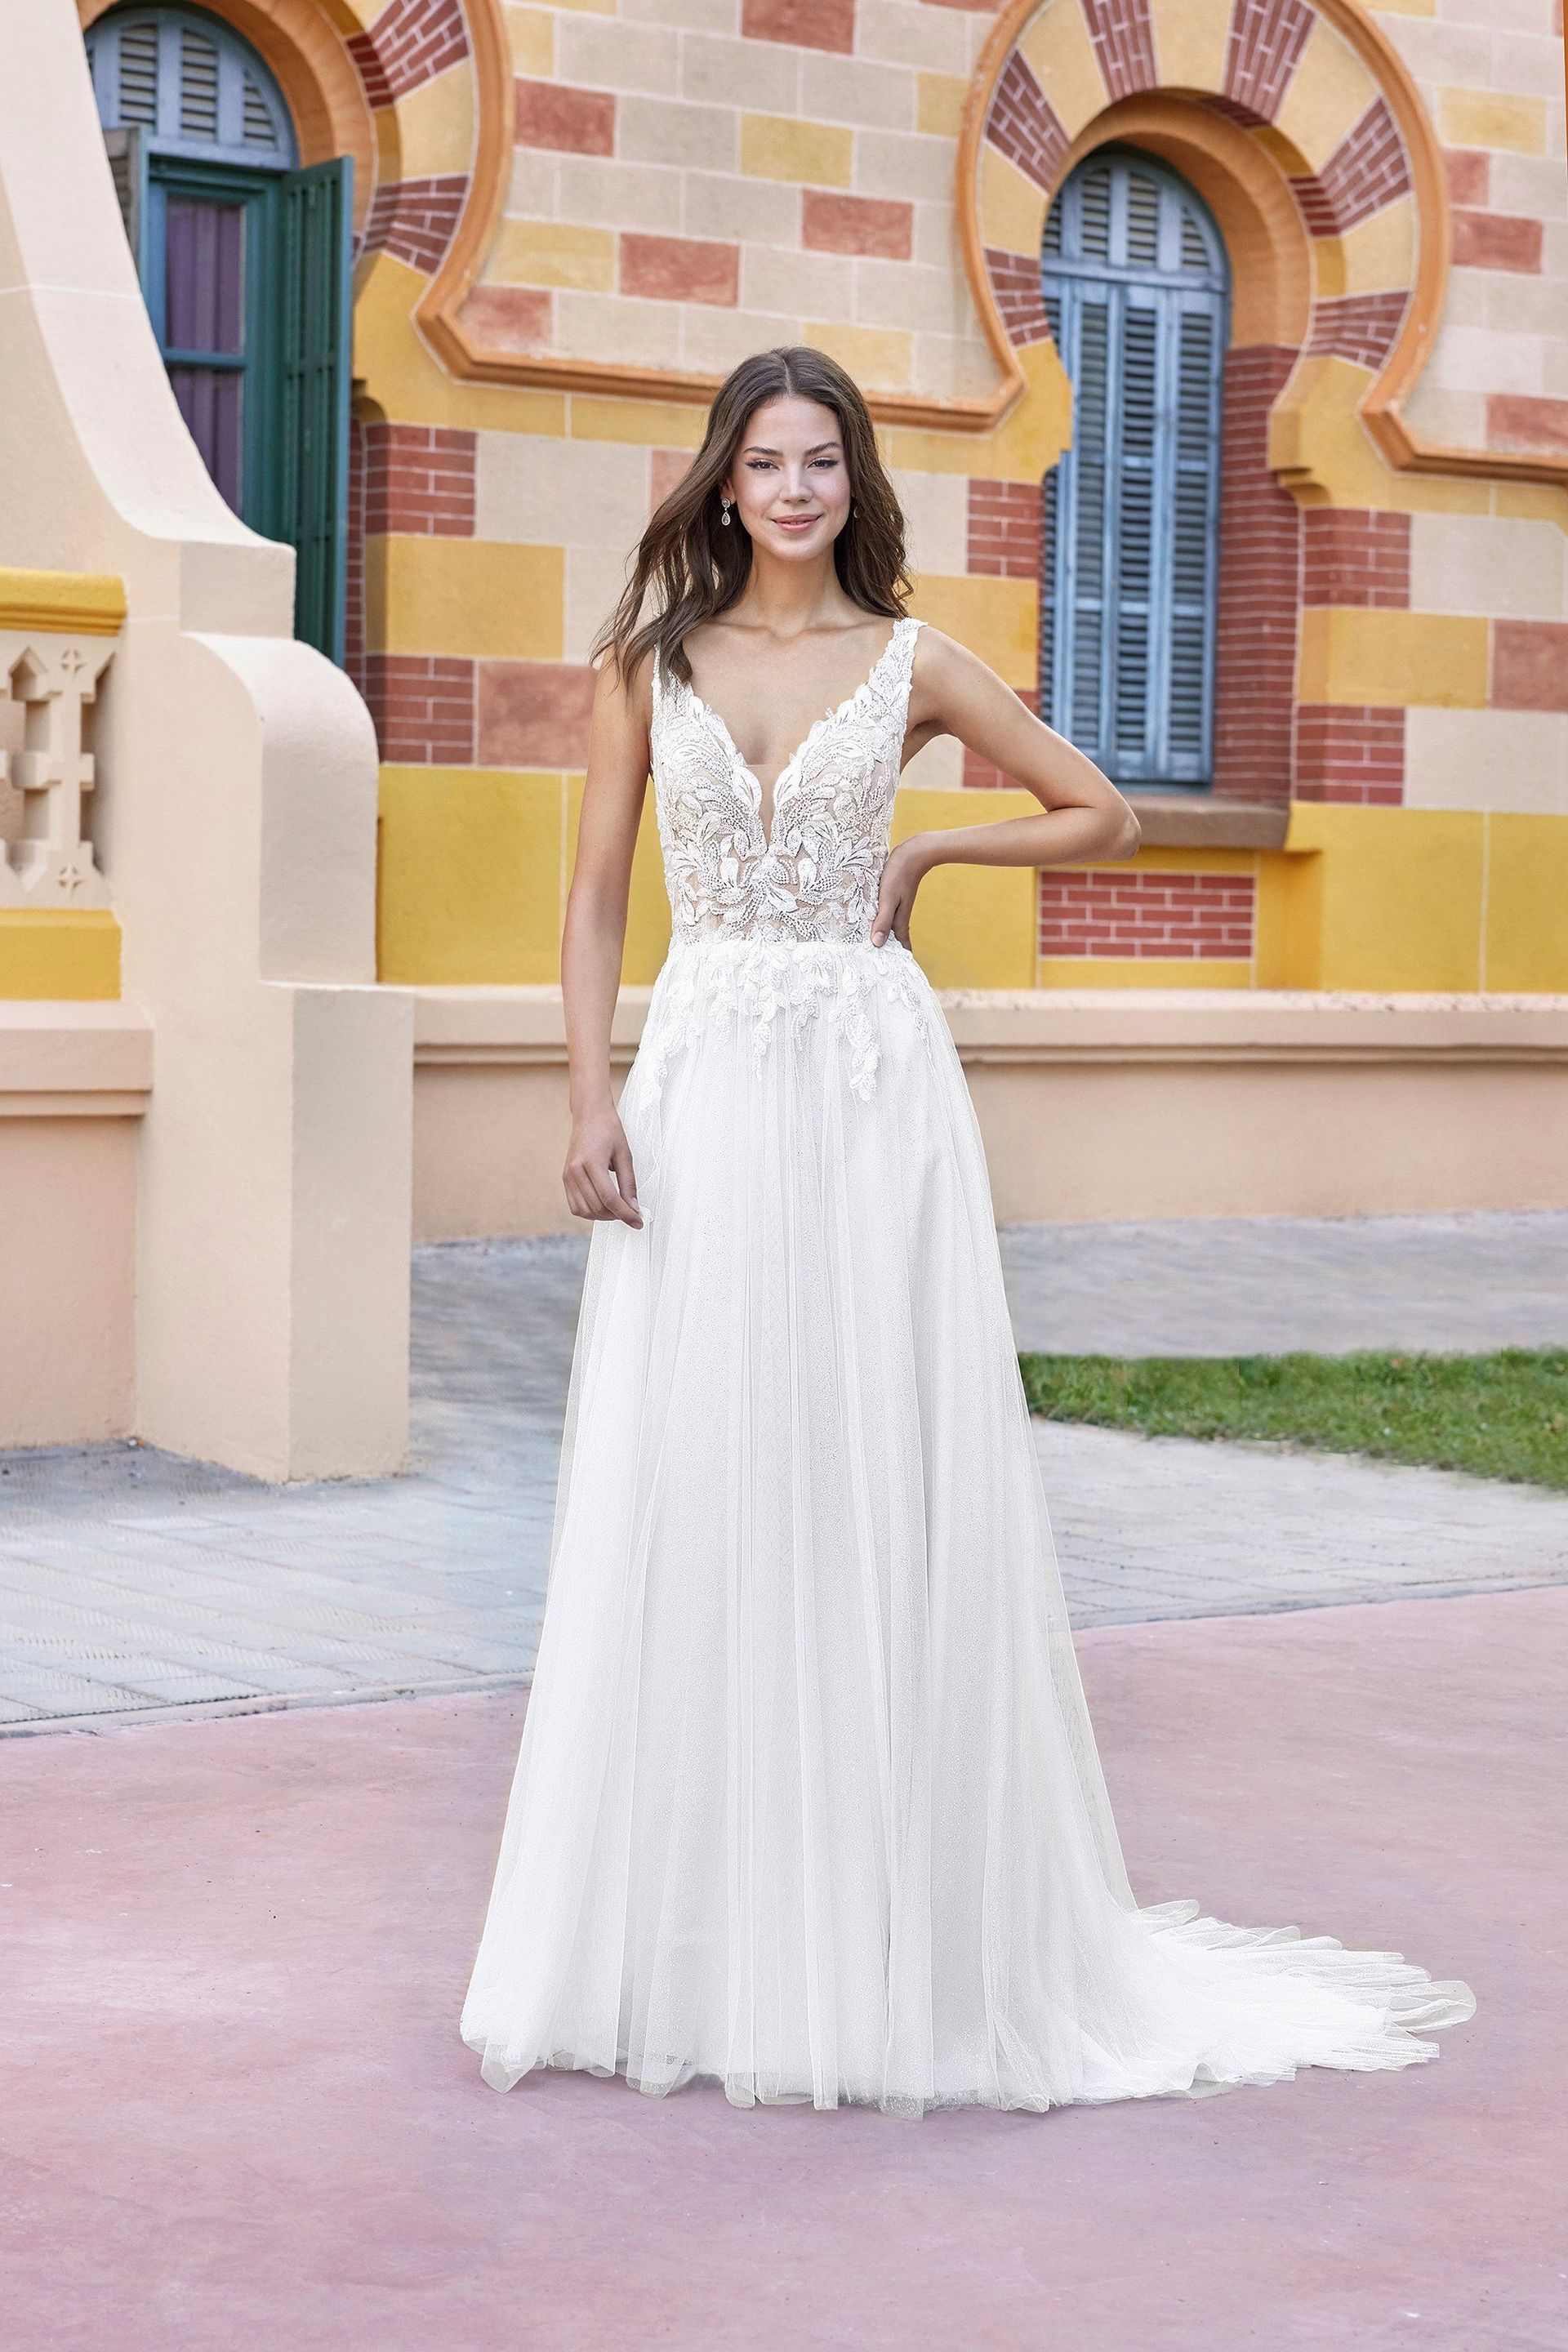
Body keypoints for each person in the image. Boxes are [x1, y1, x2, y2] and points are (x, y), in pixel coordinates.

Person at [460, 345, 1473, 2114]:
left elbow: (1104, 804)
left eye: (822, 461)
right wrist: (585, 1097)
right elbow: (596, 899)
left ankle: (887, 1937)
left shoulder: (913, 661)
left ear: (855, 483)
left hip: (865, 1095)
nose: (792, 489)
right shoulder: (649, 664)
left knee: (870, 1468)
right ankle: (696, 1935)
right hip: (700, 1081)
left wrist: (931, 865)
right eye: (765, 461)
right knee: (699, 1474)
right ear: (719, 482)